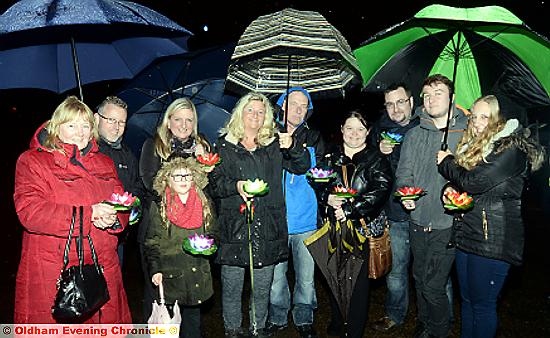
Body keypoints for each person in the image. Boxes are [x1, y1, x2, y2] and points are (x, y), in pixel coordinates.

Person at [13, 95, 131, 323]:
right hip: (55, 271)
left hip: (102, 267)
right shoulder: (32, 161)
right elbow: (31, 212)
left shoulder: (104, 162)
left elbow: (121, 202)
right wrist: (90, 214)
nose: (80, 132)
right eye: (72, 125)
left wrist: (114, 218)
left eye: (85, 125)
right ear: (57, 127)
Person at [437, 95, 545, 338]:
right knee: (466, 301)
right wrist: (450, 190)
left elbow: (476, 181)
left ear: (499, 119)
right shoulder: (477, 147)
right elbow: (465, 185)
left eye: (484, 117)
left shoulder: (510, 148)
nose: (476, 122)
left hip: (494, 239)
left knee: (483, 305)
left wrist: (447, 163)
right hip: (468, 233)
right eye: (474, 116)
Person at [208, 91, 310, 337]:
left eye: (261, 111)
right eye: (250, 110)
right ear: (240, 113)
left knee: (262, 288)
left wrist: (293, 146)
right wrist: (236, 186)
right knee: (232, 288)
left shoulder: (275, 143)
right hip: (235, 226)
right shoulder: (224, 144)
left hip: (268, 226)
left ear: (267, 116)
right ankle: (232, 330)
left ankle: (258, 328)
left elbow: (302, 165)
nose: (255, 115)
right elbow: (215, 183)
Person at [396, 74, 468, 338]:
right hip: (417, 220)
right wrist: (406, 194)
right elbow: (404, 174)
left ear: (451, 98)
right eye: (426, 94)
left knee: (433, 286)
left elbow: (476, 177)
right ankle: (425, 323)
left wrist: (453, 165)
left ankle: (439, 331)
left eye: (438, 92)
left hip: (448, 222)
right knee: (418, 279)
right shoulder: (414, 134)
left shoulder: (466, 133)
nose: (430, 98)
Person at [317, 110, 393, 338]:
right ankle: (338, 325)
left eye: (360, 129)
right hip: (333, 230)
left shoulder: (376, 159)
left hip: (361, 230)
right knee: (335, 282)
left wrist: (350, 209)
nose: (354, 133)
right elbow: (318, 180)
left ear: (368, 132)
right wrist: (326, 198)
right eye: (349, 128)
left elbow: (380, 189)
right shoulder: (330, 156)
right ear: (341, 130)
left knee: (357, 287)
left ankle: (354, 331)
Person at [138, 97, 211, 321]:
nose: (184, 124)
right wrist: (176, 175)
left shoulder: (202, 146)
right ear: (168, 121)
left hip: (193, 230)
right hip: (160, 230)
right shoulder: (155, 145)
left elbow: (210, 190)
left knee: (192, 294)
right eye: (178, 119)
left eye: (189, 120)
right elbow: (149, 183)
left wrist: (204, 162)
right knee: (158, 295)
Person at [265, 87, 325, 338]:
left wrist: (294, 147)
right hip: (276, 220)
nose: (298, 110)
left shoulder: (314, 138)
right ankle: (277, 317)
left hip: (306, 219)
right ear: (282, 106)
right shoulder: (268, 135)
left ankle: (303, 318)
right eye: (293, 104)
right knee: (276, 277)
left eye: (303, 105)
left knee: (306, 278)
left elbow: (314, 170)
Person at [144, 157, 219, 338]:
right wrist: (155, 269)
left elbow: (214, 232)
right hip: (171, 274)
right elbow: (152, 242)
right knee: (171, 325)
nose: (183, 180)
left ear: (195, 178)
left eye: (187, 175)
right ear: (167, 179)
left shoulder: (204, 203)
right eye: (177, 176)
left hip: (197, 273)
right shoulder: (160, 206)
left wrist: (209, 244)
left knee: (193, 323)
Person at [368, 83, 419, 331]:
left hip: (426, 214)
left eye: (400, 102)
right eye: (390, 103)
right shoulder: (380, 129)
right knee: (396, 271)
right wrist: (379, 152)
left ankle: (436, 319)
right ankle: (395, 314)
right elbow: (370, 163)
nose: (395, 108)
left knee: (430, 273)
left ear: (411, 101)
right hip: (395, 213)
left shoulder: (426, 125)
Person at [95, 96, 143, 267]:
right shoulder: (87, 149)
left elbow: (137, 185)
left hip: (118, 238)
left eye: (121, 122)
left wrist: (134, 204)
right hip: (90, 237)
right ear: (96, 118)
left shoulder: (127, 154)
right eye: (111, 120)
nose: (116, 127)